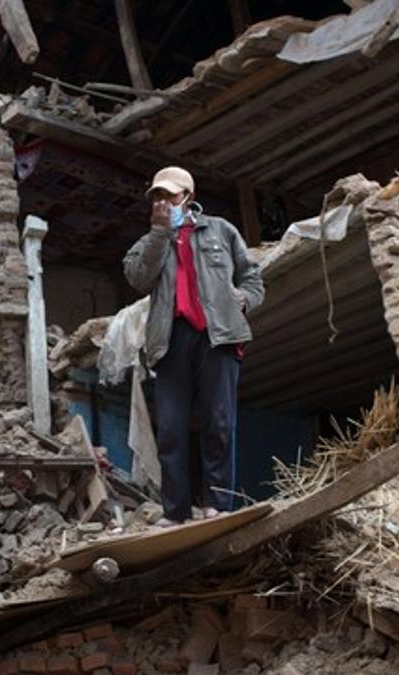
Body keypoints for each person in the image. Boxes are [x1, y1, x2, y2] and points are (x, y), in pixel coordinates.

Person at [123, 166, 264, 527]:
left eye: (169, 195)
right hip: (171, 341)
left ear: (188, 197)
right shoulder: (150, 242)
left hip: (218, 336)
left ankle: (218, 503)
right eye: (156, 196)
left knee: (219, 421)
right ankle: (175, 512)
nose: (162, 202)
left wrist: (244, 299)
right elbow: (138, 278)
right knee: (171, 428)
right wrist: (159, 233)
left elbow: (252, 277)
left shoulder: (221, 230)